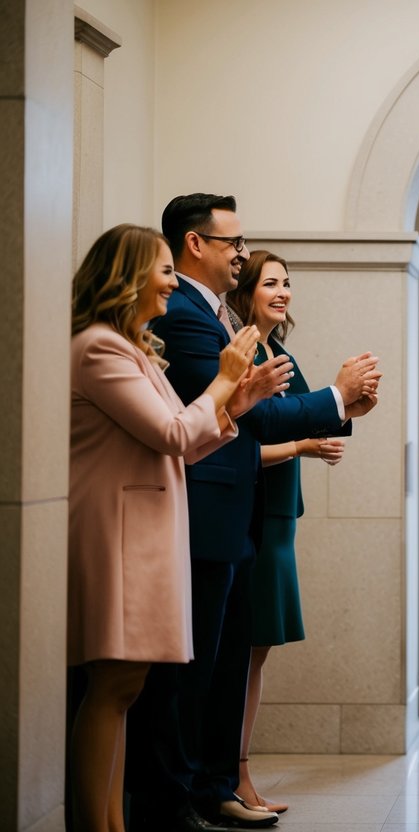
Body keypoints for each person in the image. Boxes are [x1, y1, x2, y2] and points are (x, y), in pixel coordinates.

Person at [124, 194, 380, 832]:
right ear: (195, 245)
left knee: (226, 656)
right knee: (193, 666)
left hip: (234, 511)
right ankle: (177, 799)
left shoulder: (211, 314)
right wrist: (335, 398)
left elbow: (248, 404)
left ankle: (211, 787)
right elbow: (246, 413)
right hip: (203, 512)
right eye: (233, 242)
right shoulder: (184, 317)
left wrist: (337, 405)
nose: (242, 251)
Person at [67, 224, 260, 832]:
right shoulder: (99, 347)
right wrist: (226, 379)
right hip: (117, 534)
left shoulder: (130, 348)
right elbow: (174, 435)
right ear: (126, 277)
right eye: (165, 271)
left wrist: (238, 401)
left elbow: (185, 439)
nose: (173, 283)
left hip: (142, 534)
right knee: (114, 684)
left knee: (124, 687)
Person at [225, 250, 347, 815]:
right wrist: (302, 444)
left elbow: (292, 415)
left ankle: (238, 771)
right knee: (241, 651)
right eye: (270, 282)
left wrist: (341, 413)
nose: (283, 292)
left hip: (277, 517)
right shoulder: (240, 353)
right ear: (243, 290)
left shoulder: (281, 353)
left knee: (257, 651)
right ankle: (234, 775)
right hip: (250, 513)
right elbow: (242, 440)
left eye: (287, 283)